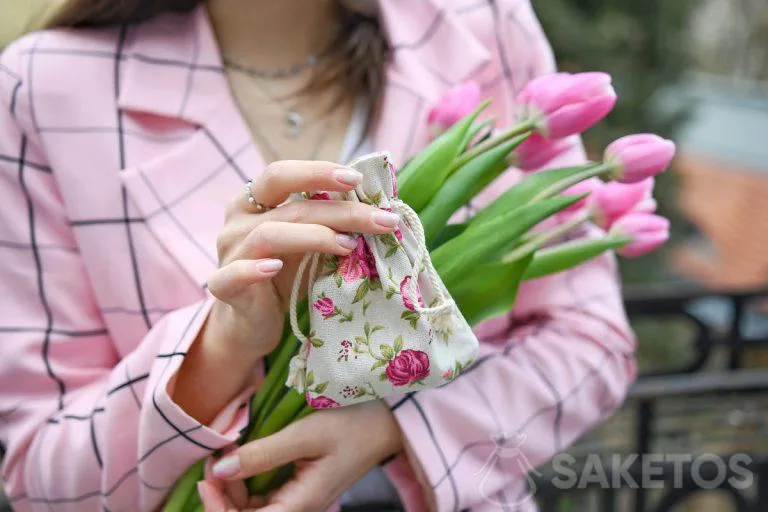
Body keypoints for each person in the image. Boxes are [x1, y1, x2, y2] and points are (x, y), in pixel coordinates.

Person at [0, 0, 636, 510]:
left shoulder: (479, 25)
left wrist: (397, 429)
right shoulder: (46, 88)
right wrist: (220, 348)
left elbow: (593, 339)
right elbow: (38, 475)